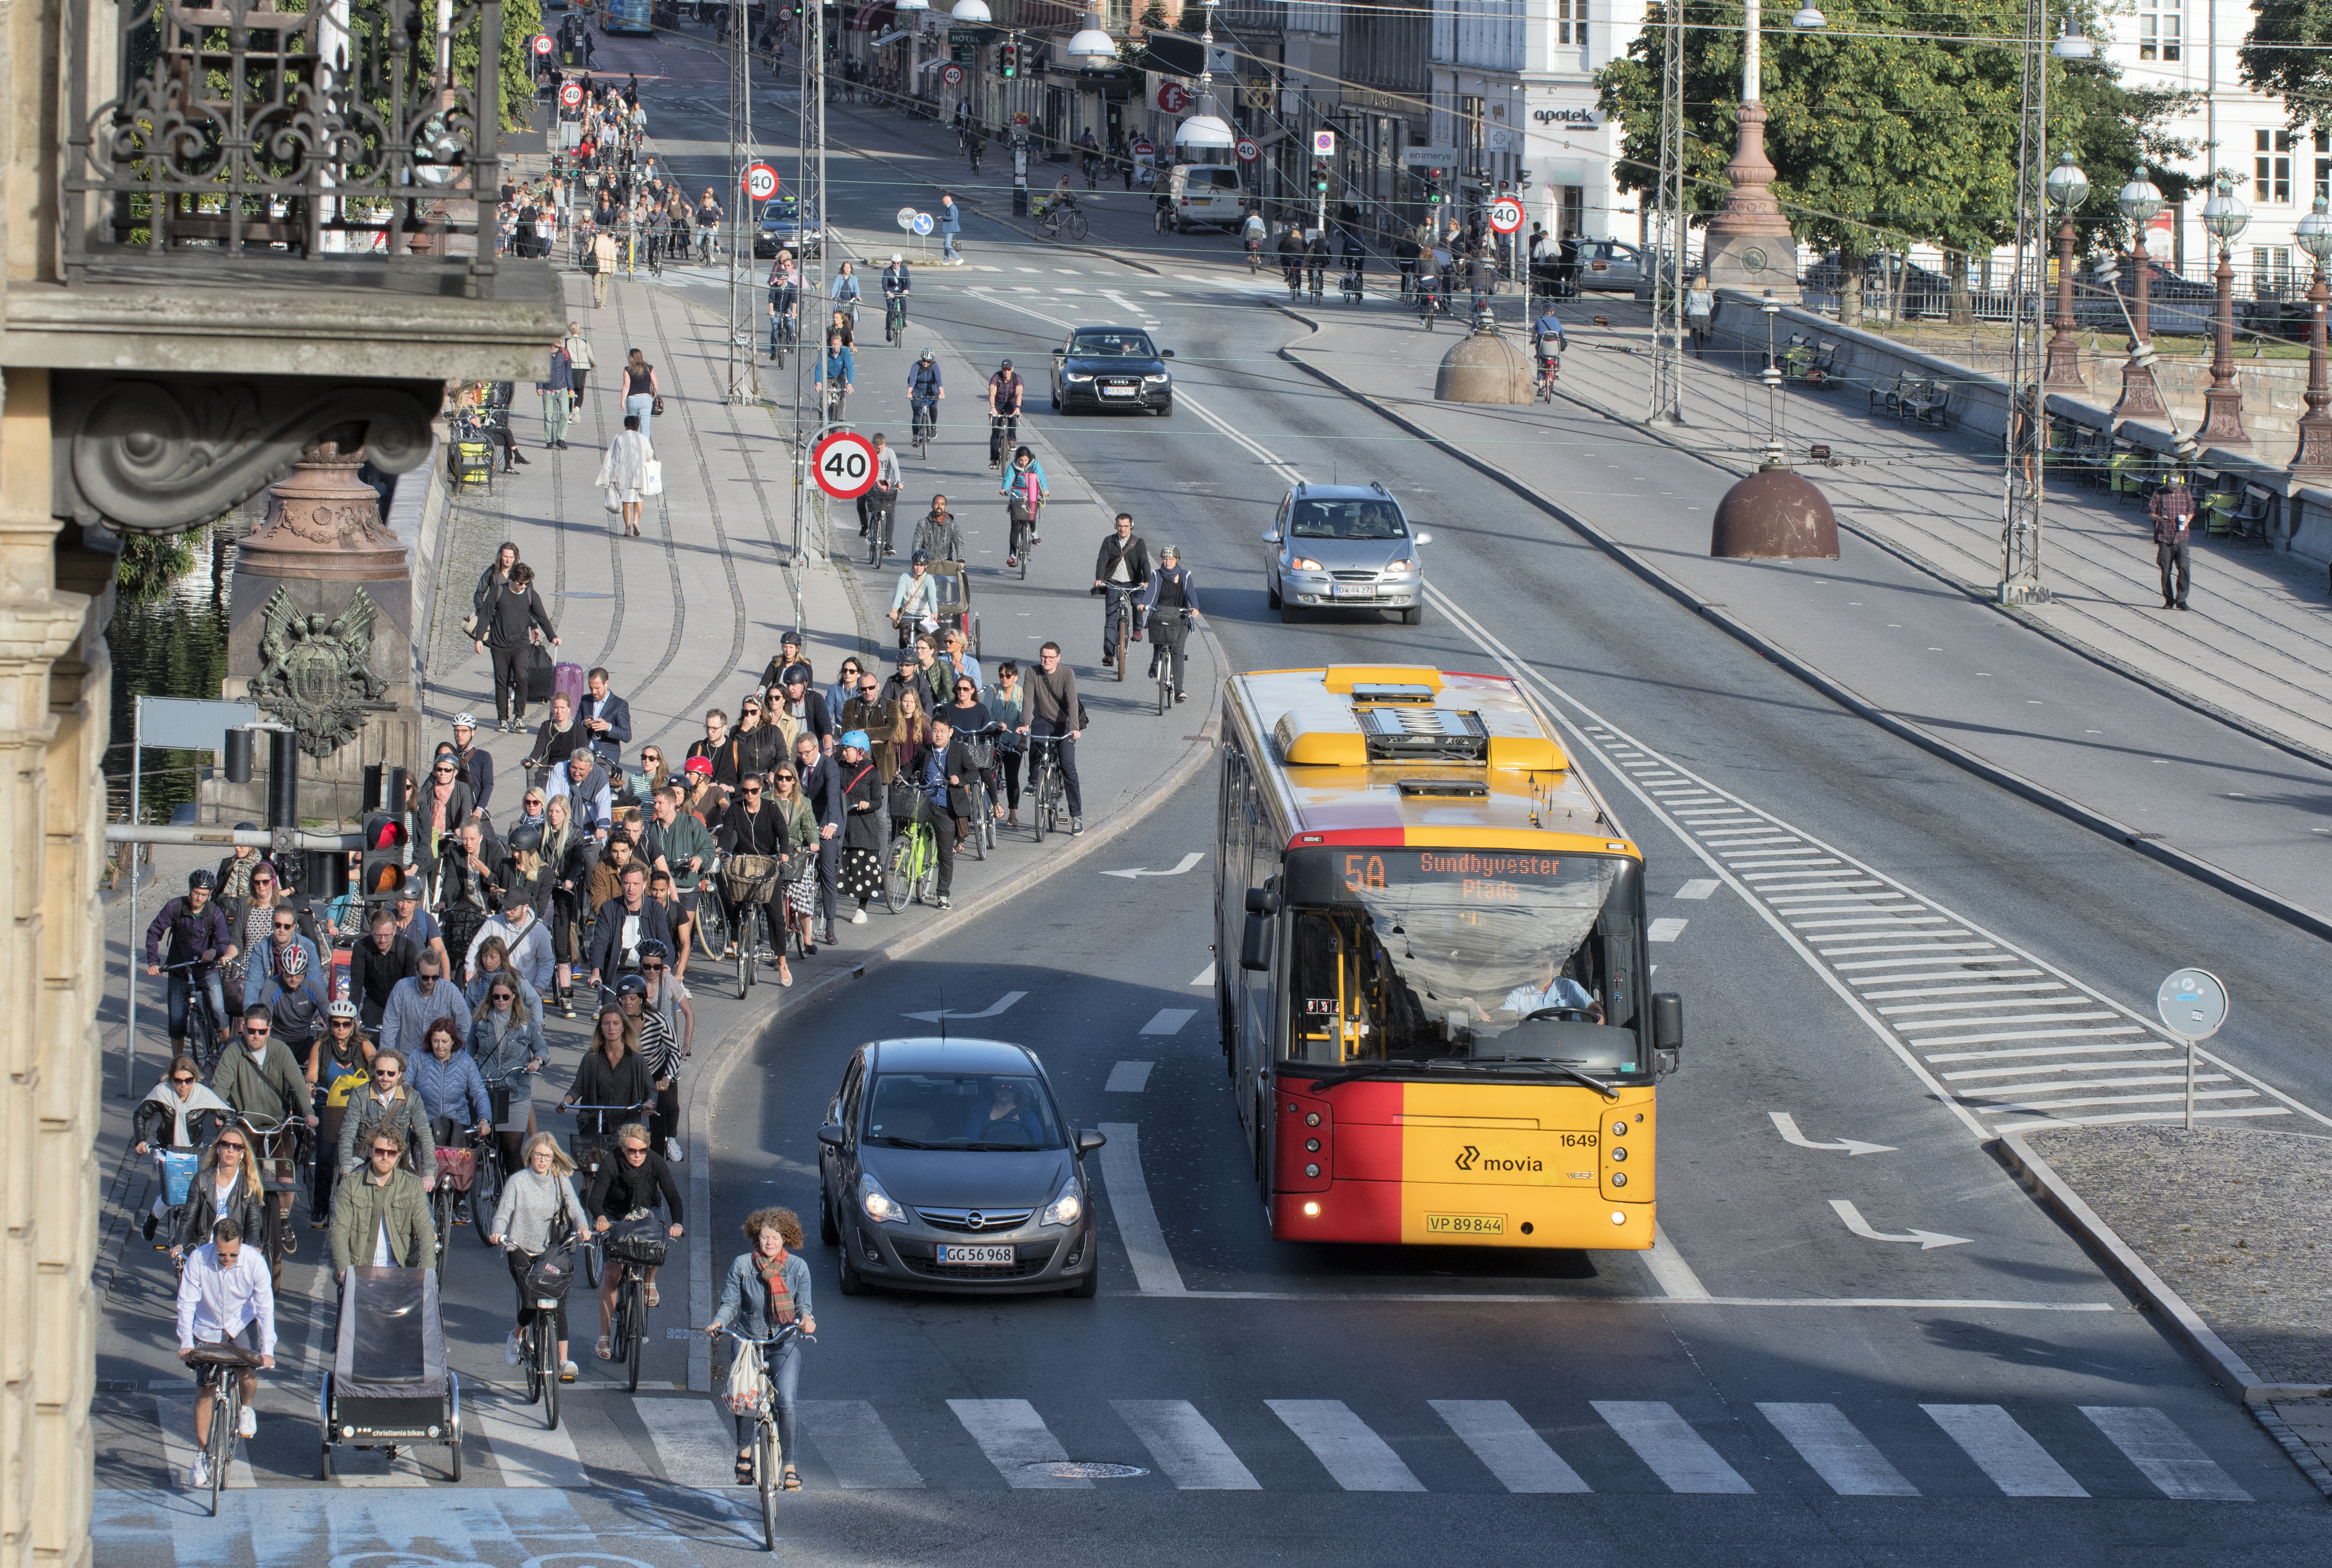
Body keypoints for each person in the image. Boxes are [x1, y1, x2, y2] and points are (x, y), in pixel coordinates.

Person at [705, 1207, 816, 1490]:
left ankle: (789, 1466)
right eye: (765, 1237)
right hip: (747, 1340)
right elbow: (730, 1304)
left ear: (785, 1240)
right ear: (757, 1238)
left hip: (784, 1341)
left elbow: (804, 1306)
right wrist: (718, 1322)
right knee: (745, 1399)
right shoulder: (742, 1265)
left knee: (787, 1401)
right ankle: (744, 1452)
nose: (770, 1243)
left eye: (776, 1238)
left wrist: (806, 1320)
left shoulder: (797, 1268)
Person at [174, 1218, 276, 1490]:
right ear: (213, 1244)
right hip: (207, 1327)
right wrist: (186, 1341)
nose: (227, 1259)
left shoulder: (254, 1262)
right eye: (221, 1254)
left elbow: (265, 1306)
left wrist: (267, 1350)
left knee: (247, 1368)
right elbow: (186, 1302)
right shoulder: (198, 1259)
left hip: (240, 1321)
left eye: (233, 1254)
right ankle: (200, 1455)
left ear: (241, 1245)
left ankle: (246, 1408)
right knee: (205, 1389)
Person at [487, 1134, 585, 1383]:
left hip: (549, 1251)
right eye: (539, 1155)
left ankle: (563, 1361)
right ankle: (517, 1336)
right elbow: (503, 1213)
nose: (543, 1160)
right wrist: (498, 1231)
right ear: (530, 1154)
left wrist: (582, 1226)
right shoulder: (518, 1181)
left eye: (548, 1156)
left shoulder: (559, 1179)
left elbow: (574, 1207)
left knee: (557, 1301)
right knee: (532, 1300)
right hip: (520, 1248)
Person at [585, 1122, 684, 1359]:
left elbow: (672, 1196)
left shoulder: (655, 1162)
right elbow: (595, 1199)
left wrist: (678, 1223)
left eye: (642, 1151)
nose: (638, 1155)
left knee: (656, 1244)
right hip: (615, 1215)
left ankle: (649, 1281)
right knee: (612, 1274)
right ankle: (604, 1336)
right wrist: (600, 1217)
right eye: (632, 1151)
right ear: (622, 1148)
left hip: (647, 1210)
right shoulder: (611, 1162)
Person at [132, 1055, 233, 1241]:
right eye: (178, 1081)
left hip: (194, 1149)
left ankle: (205, 1235)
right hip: (166, 1149)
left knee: (199, 1191)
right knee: (174, 1189)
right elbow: (140, 1115)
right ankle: (154, 1218)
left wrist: (223, 1141)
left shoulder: (203, 1095)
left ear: (195, 1078)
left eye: (189, 1080)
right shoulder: (161, 1093)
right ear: (171, 1079)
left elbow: (229, 1116)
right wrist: (141, 1140)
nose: (183, 1086)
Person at [145, 869, 236, 1062]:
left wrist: (216, 951)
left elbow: (223, 940)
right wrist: (153, 961)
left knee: (219, 1013)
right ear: (190, 891)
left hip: (206, 969)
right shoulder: (175, 907)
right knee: (177, 1021)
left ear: (210, 895)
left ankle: (230, 1058)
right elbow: (154, 932)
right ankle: (178, 1064)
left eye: (204, 895)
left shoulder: (214, 913)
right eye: (196, 893)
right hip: (179, 969)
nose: (200, 898)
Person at [330, 1127, 438, 1280]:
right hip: (359, 1271)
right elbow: (339, 1230)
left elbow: (425, 1231)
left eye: (391, 1153)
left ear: (399, 1155)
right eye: (379, 1151)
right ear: (370, 1152)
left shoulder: (412, 1185)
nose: (385, 1157)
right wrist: (343, 1270)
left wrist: (427, 1274)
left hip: (400, 1271)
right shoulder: (350, 1184)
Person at [718, 773, 795, 978]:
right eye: (745, 791)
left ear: (761, 790)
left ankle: (782, 962)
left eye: (753, 791)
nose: (749, 795)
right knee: (734, 900)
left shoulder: (770, 808)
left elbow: (783, 832)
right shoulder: (736, 808)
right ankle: (735, 941)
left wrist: (784, 853)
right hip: (744, 861)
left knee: (776, 914)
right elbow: (727, 832)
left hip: (768, 862)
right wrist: (721, 849)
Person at [336, 1046, 439, 1190]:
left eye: (391, 1073)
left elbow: (425, 1136)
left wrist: (429, 1174)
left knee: (421, 1203)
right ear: (374, 1072)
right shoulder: (360, 1095)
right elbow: (347, 1134)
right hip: (363, 1158)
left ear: (399, 1074)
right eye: (380, 1072)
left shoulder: (412, 1098)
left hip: (397, 1161)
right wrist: (346, 1169)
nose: (385, 1078)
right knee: (345, 1201)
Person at [410, 1018, 494, 1190]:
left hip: (457, 1123)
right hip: (425, 1123)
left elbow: (479, 1094)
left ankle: (459, 1203)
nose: (440, 1046)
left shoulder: (466, 1062)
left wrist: (484, 1119)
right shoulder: (418, 1057)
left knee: (459, 1169)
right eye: (435, 1041)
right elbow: (406, 1089)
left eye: (445, 1041)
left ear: (454, 1041)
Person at [475, 562, 559, 732]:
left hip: (521, 645)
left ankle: (519, 717)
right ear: (512, 579)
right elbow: (485, 615)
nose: (523, 586)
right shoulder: (498, 591)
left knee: (522, 677)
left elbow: (542, 617)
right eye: (521, 583)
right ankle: (502, 719)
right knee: (502, 681)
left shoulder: (530, 594)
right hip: (499, 645)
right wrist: (478, 639)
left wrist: (552, 636)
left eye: (526, 583)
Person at [310, 1001, 372, 1222]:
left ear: (354, 1025)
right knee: (326, 1157)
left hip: (358, 1109)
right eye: (336, 1024)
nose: (341, 1029)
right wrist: (309, 1083)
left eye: (347, 1024)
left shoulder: (363, 1045)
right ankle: (320, 1207)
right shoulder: (321, 1046)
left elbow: (376, 1064)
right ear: (329, 1024)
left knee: (362, 1157)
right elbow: (312, 1074)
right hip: (329, 1107)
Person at [1020, 640, 1083, 835]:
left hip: (1064, 723)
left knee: (1068, 767)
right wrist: (1025, 725)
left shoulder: (1067, 674)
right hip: (1043, 719)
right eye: (1043, 657)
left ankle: (1077, 817)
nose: (1046, 660)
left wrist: (1075, 728)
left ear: (1058, 658)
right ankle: (1033, 780)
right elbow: (1028, 700)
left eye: (1051, 657)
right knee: (1037, 740)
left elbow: (1073, 702)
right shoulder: (1032, 672)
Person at [564, 1008, 656, 1137]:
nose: (611, 1028)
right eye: (606, 1024)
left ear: (624, 1027)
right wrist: (565, 1102)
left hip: (627, 1125)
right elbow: (577, 1088)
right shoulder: (591, 1058)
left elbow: (651, 1090)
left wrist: (650, 1103)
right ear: (601, 1028)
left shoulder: (636, 1059)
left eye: (616, 1023)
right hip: (595, 1122)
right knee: (591, 1155)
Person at [588, 863, 673, 993]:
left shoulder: (655, 909)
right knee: (611, 1011)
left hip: (646, 973)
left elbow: (665, 942)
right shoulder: (608, 908)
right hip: (616, 972)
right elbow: (600, 943)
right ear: (621, 884)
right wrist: (596, 973)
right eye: (627, 883)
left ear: (645, 884)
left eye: (636, 884)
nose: (631, 889)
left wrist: (666, 968)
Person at [796, 732, 846, 947]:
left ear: (816, 749)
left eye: (807, 752)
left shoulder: (829, 766)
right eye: (800, 753)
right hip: (806, 822)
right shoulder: (799, 765)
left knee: (827, 872)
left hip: (827, 820)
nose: (803, 756)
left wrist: (831, 824)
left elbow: (833, 796)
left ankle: (830, 927)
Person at [912, 717, 967, 904]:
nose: (938, 734)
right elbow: (911, 765)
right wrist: (900, 776)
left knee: (945, 854)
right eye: (935, 730)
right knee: (906, 821)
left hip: (946, 807)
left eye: (942, 731)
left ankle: (943, 895)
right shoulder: (925, 750)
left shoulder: (959, 750)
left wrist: (959, 779)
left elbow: (973, 772)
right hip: (925, 802)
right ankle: (901, 853)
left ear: (950, 733)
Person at [1139, 543, 1203, 701]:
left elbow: (1191, 594)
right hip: (1161, 614)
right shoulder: (1157, 575)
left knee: (1178, 652)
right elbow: (1151, 591)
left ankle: (1179, 690)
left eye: (1171, 559)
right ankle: (1155, 663)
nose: (1168, 562)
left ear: (1178, 560)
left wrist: (1194, 608)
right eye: (1165, 559)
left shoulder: (1185, 576)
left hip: (1180, 617)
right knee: (1159, 636)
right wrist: (1144, 603)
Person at [835, 731, 886, 921]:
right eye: (843, 748)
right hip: (845, 822)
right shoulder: (839, 768)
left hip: (864, 825)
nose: (844, 752)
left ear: (860, 751)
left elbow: (877, 801)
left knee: (864, 867)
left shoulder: (872, 771)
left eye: (847, 749)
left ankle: (862, 909)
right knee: (842, 863)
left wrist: (868, 805)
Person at [378, 949, 460, 1065]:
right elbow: (390, 1027)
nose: (430, 982)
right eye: (425, 977)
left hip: (439, 1062)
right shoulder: (402, 988)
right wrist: (386, 1061)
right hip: (407, 1060)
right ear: (417, 971)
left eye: (435, 977)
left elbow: (465, 1025)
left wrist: (456, 1056)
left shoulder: (450, 990)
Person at [1093, 511, 1151, 666]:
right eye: (1120, 526)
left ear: (1131, 526)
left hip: (1133, 583)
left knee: (1138, 603)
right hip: (1114, 583)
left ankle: (1138, 630)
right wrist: (1099, 578)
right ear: (1116, 526)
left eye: (1126, 526)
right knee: (1111, 619)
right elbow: (1102, 560)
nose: (1122, 529)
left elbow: (1144, 562)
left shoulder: (1139, 543)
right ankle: (1110, 654)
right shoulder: (1109, 541)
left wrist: (1147, 580)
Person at [469, 895, 554, 996]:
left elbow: (546, 962)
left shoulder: (540, 931)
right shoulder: (492, 923)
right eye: (506, 908)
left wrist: (539, 987)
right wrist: (470, 970)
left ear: (525, 908)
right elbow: (475, 948)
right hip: (493, 991)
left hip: (523, 993)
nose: (508, 912)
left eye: (512, 909)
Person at [597, 412, 656, 538]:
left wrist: (613, 478)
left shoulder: (620, 438)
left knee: (627, 502)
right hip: (640, 475)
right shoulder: (643, 438)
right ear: (638, 426)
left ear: (626, 426)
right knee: (638, 500)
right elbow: (650, 455)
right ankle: (636, 521)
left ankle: (628, 528)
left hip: (624, 475)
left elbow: (616, 460)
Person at [987, 661, 1026, 830]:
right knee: (987, 775)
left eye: (1008, 676)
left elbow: (1023, 719)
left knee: (1012, 779)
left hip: (1013, 742)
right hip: (994, 739)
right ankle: (989, 806)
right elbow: (986, 712)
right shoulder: (993, 690)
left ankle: (1013, 813)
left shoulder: (1021, 694)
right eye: (1001, 675)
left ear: (1015, 678)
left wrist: (1022, 739)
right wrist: (994, 727)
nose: (1004, 678)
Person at [578, 666, 633, 778]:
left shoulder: (619, 705)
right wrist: (584, 724)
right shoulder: (586, 700)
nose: (594, 692)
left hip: (605, 754)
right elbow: (575, 725)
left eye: (597, 688)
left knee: (593, 775)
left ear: (606, 683)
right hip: (585, 750)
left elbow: (627, 735)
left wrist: (608, 727)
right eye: (591, 688)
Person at [2152, 470, 2197, 610]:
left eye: (2176, 487)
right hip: (2165, 537)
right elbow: (2150, 513)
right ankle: (2169, 600)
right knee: (2166, 569)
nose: (2174, 489)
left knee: (2184, 567)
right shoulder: (2159, 494)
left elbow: (2191, 510)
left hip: (2182, 537)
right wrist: (2159, 518)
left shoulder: (2185, 494)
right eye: (2171, 486)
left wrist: (2187, 520)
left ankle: (2182, 600)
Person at [548, 746, 614, 837]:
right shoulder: (561, 769)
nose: (576, 773)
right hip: (563, 824)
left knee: (592, 851)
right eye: (574, 768)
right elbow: (553, 799)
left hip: (591, 825)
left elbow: (604, 803)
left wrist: (602, 827)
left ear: (591, 768)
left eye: (582, 770)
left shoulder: (600, 776)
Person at [888, 549, 940, 649]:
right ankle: (902, 658)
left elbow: (932, 598)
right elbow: (899, 595)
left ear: (926, 566)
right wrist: (894, 610)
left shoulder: (929, 580)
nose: (918, 568)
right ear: (913, 564)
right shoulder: (905, 577)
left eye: (921, 565)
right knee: (904, 637)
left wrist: (935, 612)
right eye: (916, 564)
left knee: (926, 643)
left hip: (924, 615)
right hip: (907, 613)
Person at [859, 432, 902, 552]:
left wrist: (898, 482)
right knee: (861, 500)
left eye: (882, 448)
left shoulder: (889, 453)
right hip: (870, 484)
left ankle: (888, 543)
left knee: (891, 513)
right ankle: (864, 526)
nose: (880, 450)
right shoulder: (868, 452)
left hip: (884, 486)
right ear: (873, 445)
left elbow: (895, 469)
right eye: (878, 448)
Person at [449, 713, 496, 811]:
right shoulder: (450, 755)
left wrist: (480, 809)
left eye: (464, 731)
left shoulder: (483, 756)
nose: (459, 735)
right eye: (457, 731)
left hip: (475, 808)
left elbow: (488, 785)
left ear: (472, 732)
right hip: (453, 809)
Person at [986, 359, 1024, 469]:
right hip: (998, 402)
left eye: (1008, 369)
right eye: (1004, 369)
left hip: (1011, 402)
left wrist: (1017, 408)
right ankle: (994, 460)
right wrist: (993, 408)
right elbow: (992, 394)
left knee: (1013, 417)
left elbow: (1019, 394)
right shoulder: (996, 378)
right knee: (995, 431)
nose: (1006, 372)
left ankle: (1011, 440)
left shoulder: (1017, 379)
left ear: (1012, 369)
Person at [539, 338, 574, 450]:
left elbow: (568, 371)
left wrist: (571, 388)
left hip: (562, 389)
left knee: (565, 414)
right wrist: (539, 387)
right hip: (548, 390)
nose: (560, 341)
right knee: (548, 417)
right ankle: (549, 441)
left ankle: (561, 439)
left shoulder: (565, 353)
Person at [907, 348, 944, 443]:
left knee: (933, 406)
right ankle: (915, 438)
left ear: (931, 362)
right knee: (917, 413)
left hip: (932, 390)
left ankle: (934, 426)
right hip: (918, 390)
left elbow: (939, 380)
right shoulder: (916, 365)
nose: (925, 363)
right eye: (924, 361)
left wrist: (941, 393)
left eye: (928, 362)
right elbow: (912, 380)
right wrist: (909, 393)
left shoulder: (935, 366)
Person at [915, 492, 963, 563]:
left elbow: (959, 542)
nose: (939, 506)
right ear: (932, 506)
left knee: (960, 574)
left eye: (942, 504)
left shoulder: (952, 524)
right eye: (937, 503)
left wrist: (961, 559)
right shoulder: (923, 524)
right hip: (927, 562)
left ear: (946, 507)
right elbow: (917, 544)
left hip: (946, 563)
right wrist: (916, 560)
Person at [1531, 304, 1567, 392]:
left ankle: (1540, 387)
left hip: (1542, 348)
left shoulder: (1539, 321)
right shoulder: (1557, 321)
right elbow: (1562, 334)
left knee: (1540, 364)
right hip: (1554, 349)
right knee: (1558, 356)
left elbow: (1534, 332)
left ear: (1543, 311)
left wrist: (1532, 340)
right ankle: (1557, 372)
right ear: (1553, 312)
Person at [563, 321, 596, 412]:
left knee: (570, 391)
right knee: (580, 391)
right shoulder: (584, 342)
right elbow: (591, 356)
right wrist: (593, 364)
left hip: (571, 368)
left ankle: (569, 415)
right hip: (582, 369)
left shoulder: (566, 341)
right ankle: (577, 408)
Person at [823, 332, 854, 421]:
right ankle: (822, 421)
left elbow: (850, 368)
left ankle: (841, 418)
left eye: (837, 344)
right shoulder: (826, 351)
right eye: (833, 344)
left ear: (841, 344)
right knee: (823, 400)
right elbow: (819, 367)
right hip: (827, 377)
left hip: (840, 376)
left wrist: (850, 384)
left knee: (842, 395)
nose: (835, 347)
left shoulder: (845, 352)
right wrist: (818, 383)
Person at [1683, 276, 1713, 356]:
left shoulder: (1691, 291)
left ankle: (1699, 353)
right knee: (1702, 334)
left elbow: (1687, 304)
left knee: (1696, 333)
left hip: (1694, 314)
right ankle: (1700, 350)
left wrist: (1684, 312)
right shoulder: (1708, 292)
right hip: (1705, 314)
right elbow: (1711, 304)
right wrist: (1708, 310)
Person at [829, 260, 862, 332]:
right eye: (846, 267)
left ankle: (851, 332)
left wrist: (858, 296)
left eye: (849, 268)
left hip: (850, 301)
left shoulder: (854, 278)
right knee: (840, 316)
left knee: (851, 316)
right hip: (841, 300)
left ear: (851, 269)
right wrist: (833, 295)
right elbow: (835, 287)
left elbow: (856, 288)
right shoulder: (839, 277)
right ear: (843, 268)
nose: (847, 269)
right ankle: (839, 331)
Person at [938, 191, 962, 265]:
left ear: (948, 201)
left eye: (944, 202)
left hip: (951, 229)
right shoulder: (951, 207)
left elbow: (952, 218)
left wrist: (942, 218)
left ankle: (959, 258)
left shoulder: (952, 207)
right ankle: (946, 261)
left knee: (947, 244)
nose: (944, 204)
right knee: (946, 244)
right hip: (950, 228)